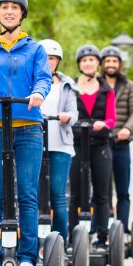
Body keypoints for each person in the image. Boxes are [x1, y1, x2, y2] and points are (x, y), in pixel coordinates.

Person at [0, 0, 52, 266]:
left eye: (14, 8)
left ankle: (27, 256)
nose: (9, 11)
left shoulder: (35, 49)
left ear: (22, 14)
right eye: (4, 7)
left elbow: (44, 78)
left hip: (28, 126)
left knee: (27, 194)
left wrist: (38, 93)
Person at [70, 45, 116, 250]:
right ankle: (73, 236)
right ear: (80, 64)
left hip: (100, 145)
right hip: (78, 144)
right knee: (76, 194)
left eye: (92, 60)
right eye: (84, 60)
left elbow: (112, 118)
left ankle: (102, 237)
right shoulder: (70, 88)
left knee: (101, 193)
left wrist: (104, 124)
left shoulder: (107, 90)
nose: (88, 63)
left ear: (98, 63)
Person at [38, 38, 79, 241]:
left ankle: (60, 241)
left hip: (60, 145)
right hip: (36, 144)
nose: (49, 61)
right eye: (45, 58)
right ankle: (34, 243)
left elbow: (74, 112)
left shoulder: (66, 85)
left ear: (58, 61)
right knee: (34, 196)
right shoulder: (32, 82)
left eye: (53, 58)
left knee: (56, 194)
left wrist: (67, 116)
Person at [99, 45, 133, 233]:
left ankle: (122, 230)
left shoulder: (129, 86)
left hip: (121, 143)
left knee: (123, 190)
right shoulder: (96, 85)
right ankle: (101, 229)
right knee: (101, 191)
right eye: (107, 61)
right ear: (102, 64)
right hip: (100, 143)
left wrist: (127, 128)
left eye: (114, 61)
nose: (111, 64)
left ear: (119, 64)